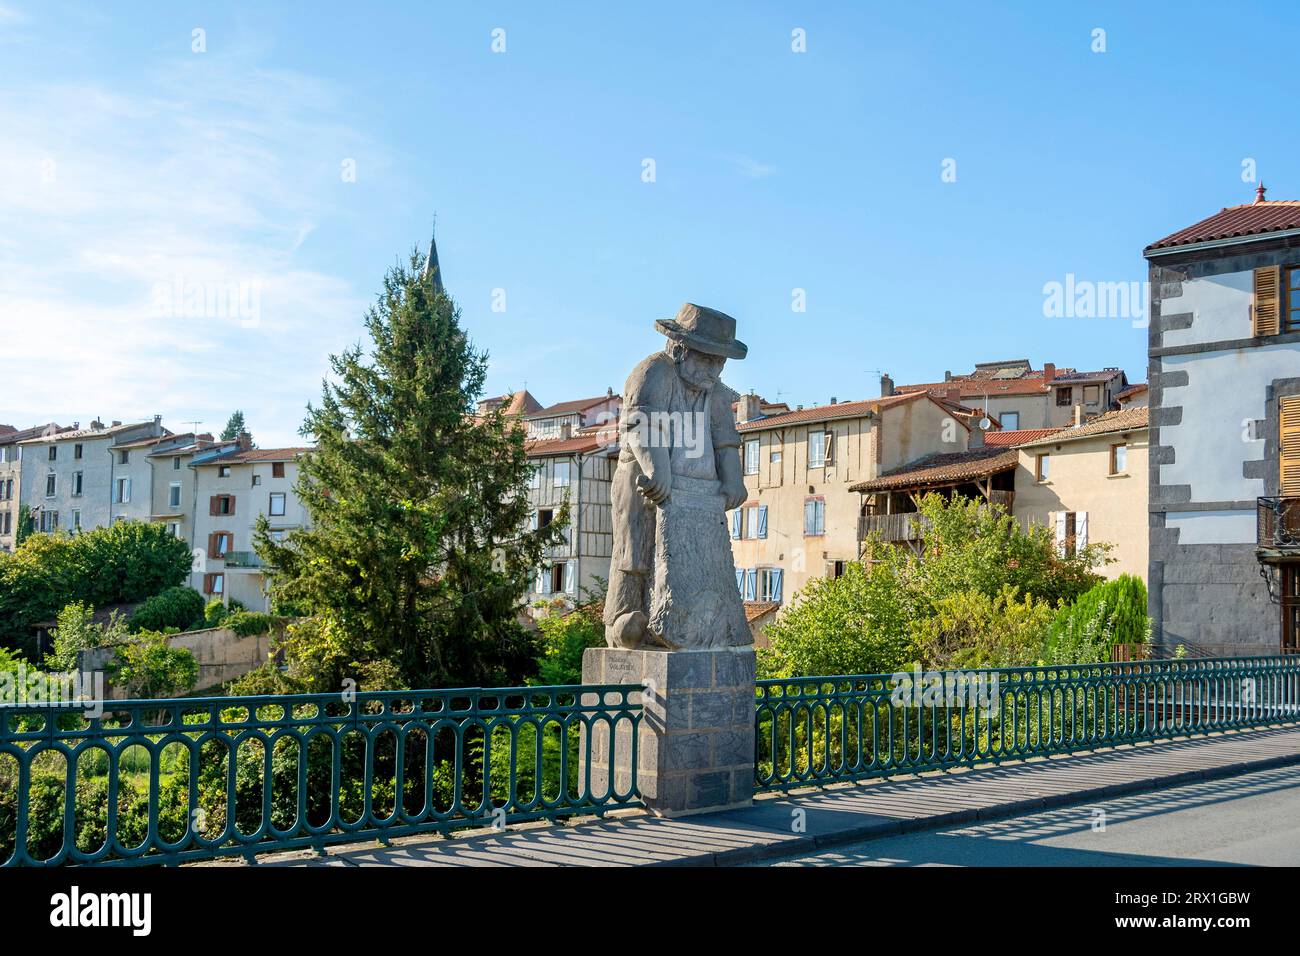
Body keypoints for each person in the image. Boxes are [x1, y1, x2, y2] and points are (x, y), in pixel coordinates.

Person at [604, 303, 752, 649]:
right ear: (681, 348)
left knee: (691, 562)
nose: (713, 369)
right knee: (635, 552)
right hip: (643, 480)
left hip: (696, 494)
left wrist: (733, 480)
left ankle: (685, 625)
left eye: (720, 361)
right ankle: (621, 620)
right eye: (707, 358)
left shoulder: (713, 391)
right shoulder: (653, 372)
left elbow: (725, 439)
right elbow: (642, 423)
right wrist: (658, 470)